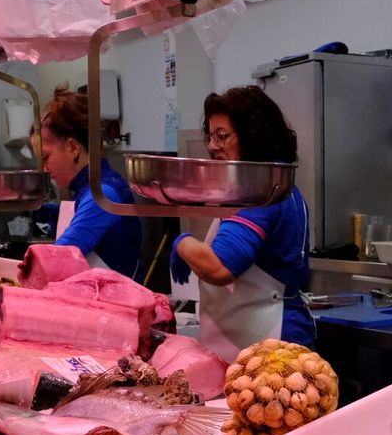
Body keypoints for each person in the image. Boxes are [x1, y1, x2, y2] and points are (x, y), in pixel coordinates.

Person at [170, 86, 314, 360]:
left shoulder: (262, 196)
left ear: (253, 136)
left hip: (275, 350)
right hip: (256, 345)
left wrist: (182, 244)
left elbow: (219, 267)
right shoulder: (273, 187)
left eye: (222, 136)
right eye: (210, 137)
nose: (213, 146)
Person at [40, 86, 143, 278]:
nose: (44, 167)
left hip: (116, 306)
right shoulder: (87, 189)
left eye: (46, 157)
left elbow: (60, 257)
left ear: (73, 148)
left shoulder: (102, 194)